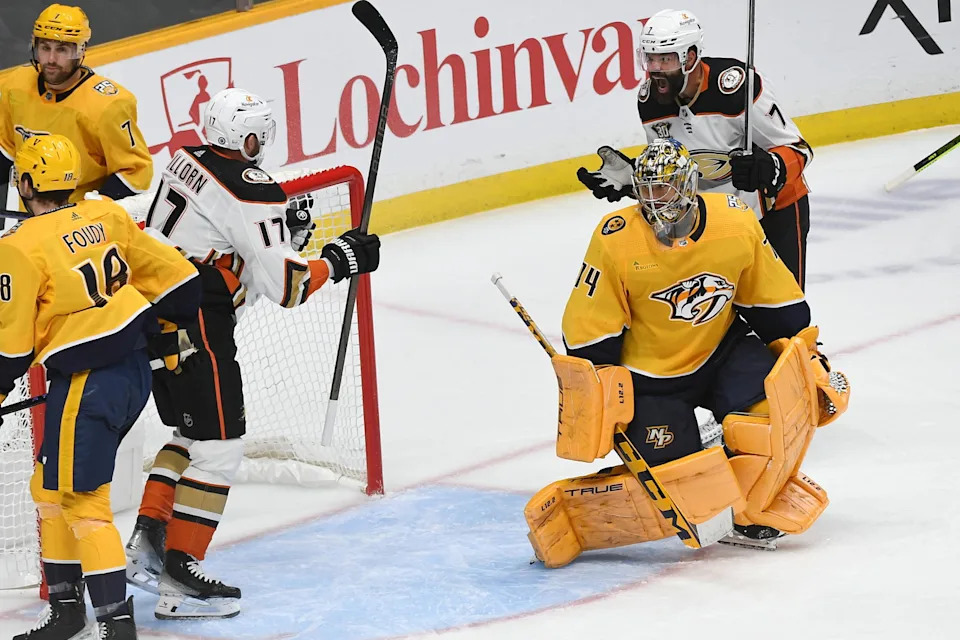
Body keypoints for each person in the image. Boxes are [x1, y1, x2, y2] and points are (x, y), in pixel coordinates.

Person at [525, 139, 849, 568]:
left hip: (721, 352)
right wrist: (600, 391)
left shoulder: (734, 221)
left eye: (666, 189)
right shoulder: (616, 239)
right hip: (650, 379)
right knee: (689, 487)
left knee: (778, 413)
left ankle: (753, 504)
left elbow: (772, 300)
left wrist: (806, 352)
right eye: (647, 190)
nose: (656, 201)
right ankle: (583, 512)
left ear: (691, 185)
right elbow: (589, 331)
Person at [123, 88, 381, 620]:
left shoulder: (184, 160)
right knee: (220, 448)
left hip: (154, 315)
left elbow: (223, 240)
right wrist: (340, 257)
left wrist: (286, 237)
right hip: (199, 322)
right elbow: (287, 288)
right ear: (247, 137)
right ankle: (180, 573)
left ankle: (148, 538)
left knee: (189, 436)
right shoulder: (253, 189)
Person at [0, 134, 200, 639]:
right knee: (47, 485)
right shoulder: (105, 215)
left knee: (83, 502)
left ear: (24, 183)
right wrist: (167, 331)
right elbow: (180, 280)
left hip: (87, 383)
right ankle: (67, 610)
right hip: (130, 372)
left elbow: (11, 348)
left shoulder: (19, 247)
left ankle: (115, 624)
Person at [578, 9, 814, 290]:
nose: (655, 69)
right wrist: (635, 181)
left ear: (689, 57)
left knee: (786, 314)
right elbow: (676, 173)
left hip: (775, 212)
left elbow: (799, 150)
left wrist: (770, 167)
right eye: (649, 58)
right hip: (720, 222)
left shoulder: (736, 88)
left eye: (665, 59)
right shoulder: (650, 102)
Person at [0, 4, 152, 211]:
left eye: (62, 49)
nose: (51, 60)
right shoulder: (16, 85)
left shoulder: (107, 105)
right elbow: (7, 149)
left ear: (81, 51)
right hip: (31, 214)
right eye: (45, 48)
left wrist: (92, 209)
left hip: (82, 220)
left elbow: (135, 172)